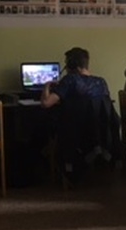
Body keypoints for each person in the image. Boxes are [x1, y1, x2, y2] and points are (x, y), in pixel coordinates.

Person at [41, 47, 118, 182]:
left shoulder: (69, 80)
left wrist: (47, 86)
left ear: (72, 66)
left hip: (73, 132)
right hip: (98, 133)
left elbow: (46, 103)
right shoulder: (101, 82)